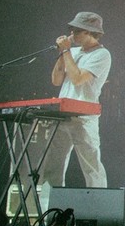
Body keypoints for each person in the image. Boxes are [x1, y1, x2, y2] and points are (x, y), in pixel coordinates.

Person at [41, 11, 112, 187]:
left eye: (77, 31)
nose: (72, 35)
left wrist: (66, 51)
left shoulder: (102, 55)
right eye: (71, 30)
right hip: (62, 114)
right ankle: (49, 211)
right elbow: (56, 81)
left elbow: (78, 78)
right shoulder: (70, 52)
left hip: (83, 117)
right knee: (53, 166)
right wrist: (62, 53)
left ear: (90, 32)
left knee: (91, 167)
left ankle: (99, 211)